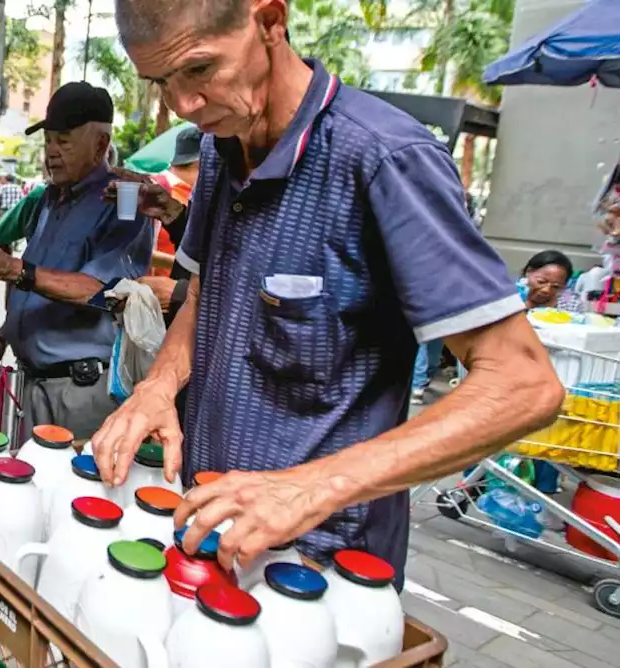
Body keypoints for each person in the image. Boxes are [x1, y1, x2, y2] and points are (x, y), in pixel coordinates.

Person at [91, 0, 562, 585]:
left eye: (199, 70)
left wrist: (311, 487)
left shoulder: (386, 158)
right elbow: (204, 290)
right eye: (160, 81)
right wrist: (160, 384)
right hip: (209, 526)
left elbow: (523, 385)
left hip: (324, 558)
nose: (182, 104)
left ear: (270, 22)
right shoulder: (219, 145)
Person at [0, 82, 154, 438]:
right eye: (47, 142)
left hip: (80, 390)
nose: (51, 152)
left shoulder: (122, 203)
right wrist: (4, 336)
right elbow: (34, 279)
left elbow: (102, 291)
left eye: (64, 141)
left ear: (101, 144)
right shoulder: (49, 199)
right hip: (31, 382)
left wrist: (12, 268)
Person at [149, 125, 201, 277]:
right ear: (199, 162)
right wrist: (190, 266)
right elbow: (131, 251)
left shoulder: (193, 193)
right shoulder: (157, 189)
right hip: (153, 292)